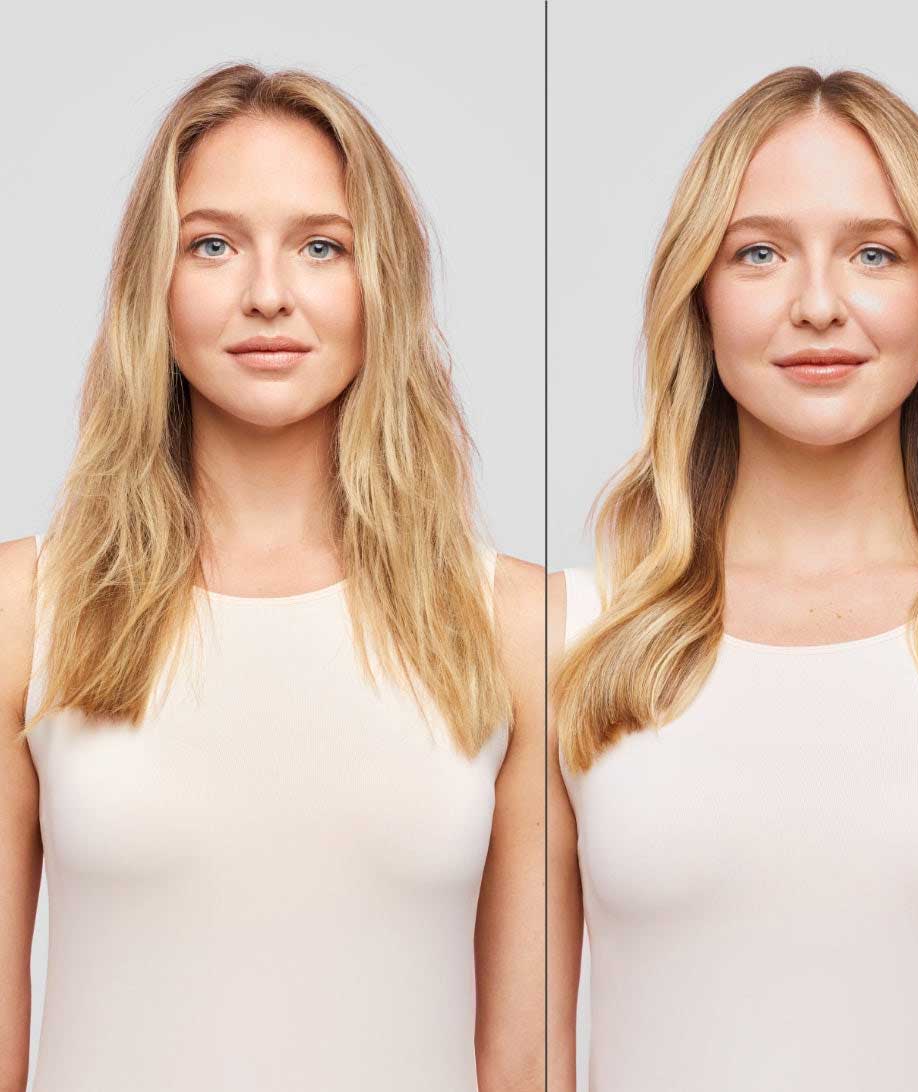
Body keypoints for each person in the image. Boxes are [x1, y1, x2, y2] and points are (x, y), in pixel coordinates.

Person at [0, 63, 544, 1091]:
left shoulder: (514, 625)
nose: (265, 293)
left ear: (380, 280)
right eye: (213, 244)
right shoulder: (26, 614)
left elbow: (519, 1060)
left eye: (320, 246)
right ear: (151, 285)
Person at [547, 66, 918, 1091]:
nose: (817, 306)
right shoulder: (567, 641)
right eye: (759, 253)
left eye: (874, 254)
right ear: (700, 304)